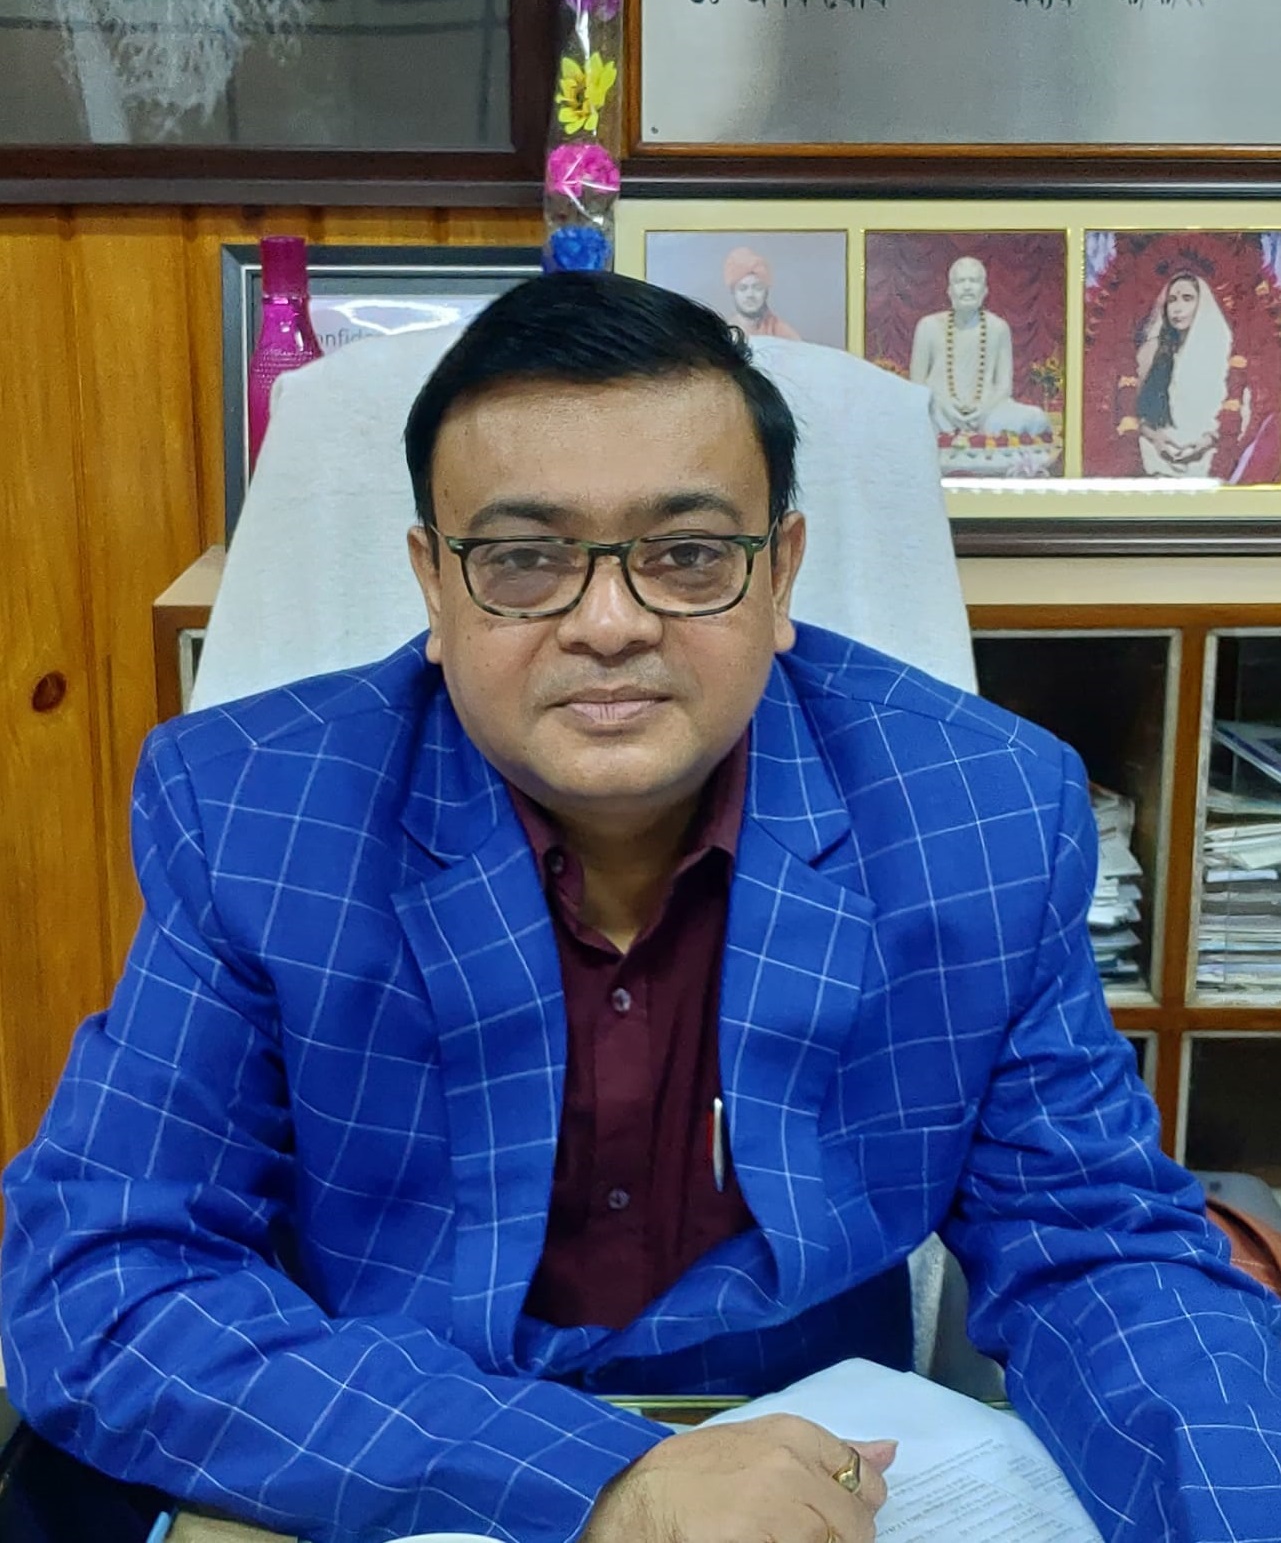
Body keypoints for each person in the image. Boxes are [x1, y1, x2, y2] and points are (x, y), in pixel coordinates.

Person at [4, 272, 1281, 1543]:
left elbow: (1099, 1250)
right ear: (435, 589)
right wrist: (604, 1480)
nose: (609, 623)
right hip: (394, 1463)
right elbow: (101, 1277)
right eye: (524, 560)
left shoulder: (982, 814)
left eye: (686, 555)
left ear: (780, 573)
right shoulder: (257, 810)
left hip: (811, 1482)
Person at [909, 255, 1051, 438]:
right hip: (940, 411)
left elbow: (1004, 386)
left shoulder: (998, 328)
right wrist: (943, 405)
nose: (967, 287)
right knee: (908, 418)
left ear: (985, 291)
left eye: (974, 281)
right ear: (949, 291)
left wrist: (984, 410)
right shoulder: (928, 326)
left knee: (1036, 418)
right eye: (960, 281)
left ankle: (972, 433)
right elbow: (917, 384)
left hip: (987, 412)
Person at [1134, 271, 1238, 477]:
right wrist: (1156, 438)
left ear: (1202, 304)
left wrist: (1206, 441)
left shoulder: (1223, 350)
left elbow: (1237, 411)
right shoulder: (1157, 352)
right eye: (1172, 300)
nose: (1177, 308)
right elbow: (1140, 413)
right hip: (1162, 448)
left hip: (1208, 449)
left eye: (1187, 298)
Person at [722, 246, 802, 340]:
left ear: (766, 292)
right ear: (733, 292)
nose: (750, 295)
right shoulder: (725, 332)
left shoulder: (785, 334)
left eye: (757, 288)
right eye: (743, 288)